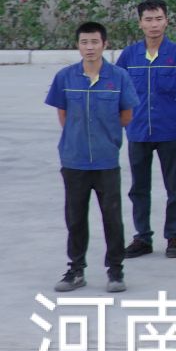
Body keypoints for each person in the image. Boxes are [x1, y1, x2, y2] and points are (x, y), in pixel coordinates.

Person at [47, 22, 139, 293]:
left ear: (105, 44)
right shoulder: (65, 77)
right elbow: (63, 114)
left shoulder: (118, 77)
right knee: (75, 218)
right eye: (84, 42)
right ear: (78, 45)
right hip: (73, 160)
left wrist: (105, 137)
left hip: (105, 160)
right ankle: (76, 270)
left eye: (95, 42)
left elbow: (126, 115)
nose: (90, 47)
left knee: (112, 217)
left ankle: (115, 270)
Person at [117, 0, 176, 260]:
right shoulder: (129, 56)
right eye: (148, 19)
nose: (154, 24)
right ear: (140, 23)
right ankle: (142, 237)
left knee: (174, 188)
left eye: (158, 19)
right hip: (137, 132)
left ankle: (174, 236)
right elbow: (118, 91)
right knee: (139, 188)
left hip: (168, 130)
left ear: (166, 21)